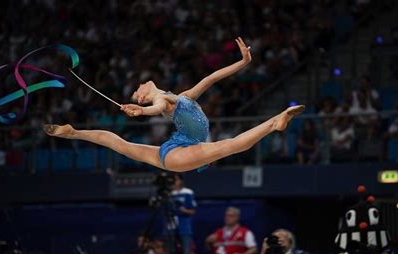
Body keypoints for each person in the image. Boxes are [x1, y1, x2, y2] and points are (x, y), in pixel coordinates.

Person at [43, 37, 305, 172]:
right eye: (137, 92)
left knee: (119, 144)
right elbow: (158, 108)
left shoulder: (184, 97)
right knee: (229, 145)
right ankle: (274, 122)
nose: (138, 87)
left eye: (137, 90)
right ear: (145, 95)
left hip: (177, 150)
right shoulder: (162, 99)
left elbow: (212, 77)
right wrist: (143, 110)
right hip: (182, 151)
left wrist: (244, 63)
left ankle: (73, 132)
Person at [170, 173, 197, 254]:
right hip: (171, 227)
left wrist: (183, 210)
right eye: (173, 179)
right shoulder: (169, 194)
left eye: (176, 179)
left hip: (184, 227)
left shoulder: (187, 192)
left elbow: (193, 211)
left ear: (181, 181)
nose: (174, 182)